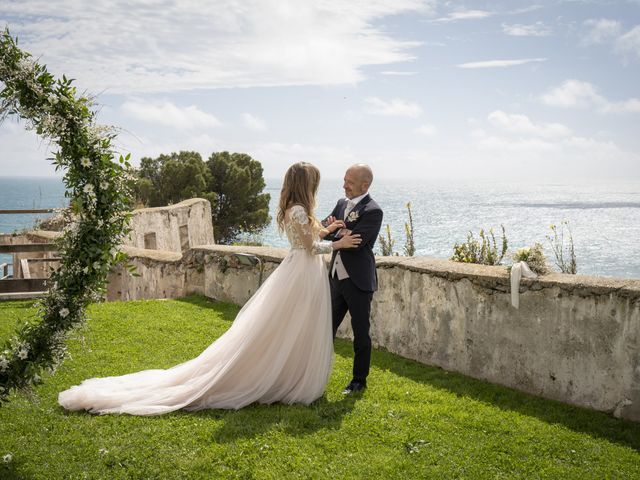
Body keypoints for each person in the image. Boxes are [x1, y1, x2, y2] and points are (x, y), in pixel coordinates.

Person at [58, 162, 361, 415]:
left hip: (300, 272)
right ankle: (282, 377)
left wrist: (328, 228)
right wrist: (339, 243)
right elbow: (309, 246)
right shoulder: (297, 209)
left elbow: (307, 233)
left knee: (292, 326)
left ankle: (288, 374)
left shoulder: (294, 208)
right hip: (302, 271)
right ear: (308, 185)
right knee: (288, 325)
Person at [324, 164, 383, 395]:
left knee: (360, 332)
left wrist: (337, 231)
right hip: (336, 277)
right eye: (344, 179)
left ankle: (359, 380)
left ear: (364, 185)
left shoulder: (373, 210)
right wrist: (337, 231)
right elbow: (325, 228)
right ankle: (315, 373)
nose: (344, 184)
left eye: (349, 181)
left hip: (359, 281)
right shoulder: (341, 203)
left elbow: (357, 241)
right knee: (325, 328)